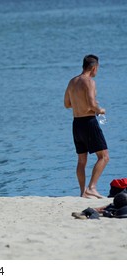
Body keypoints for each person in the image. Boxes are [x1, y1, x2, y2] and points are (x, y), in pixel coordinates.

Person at [64, 54, 109, 199]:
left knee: (81, 160)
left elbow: (67, 104)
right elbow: (91, 104)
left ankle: (83, 192)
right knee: (104, 157)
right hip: (89, 122)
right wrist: (100, 110)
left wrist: (80, 105)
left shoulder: (72, 81)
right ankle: (92, 188)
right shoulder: (89, 82)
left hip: (76, 123)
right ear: (94, 68)